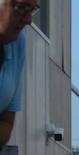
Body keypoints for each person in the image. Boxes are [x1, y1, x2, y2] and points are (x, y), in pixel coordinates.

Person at [0, 0, 36, 146]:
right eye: (21, 8)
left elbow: (7, 123)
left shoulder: (17, 42)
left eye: (32, 10)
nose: (28, 20)